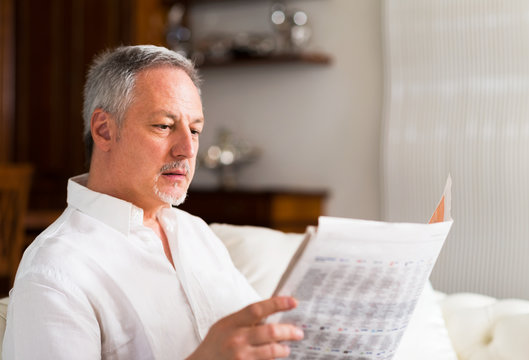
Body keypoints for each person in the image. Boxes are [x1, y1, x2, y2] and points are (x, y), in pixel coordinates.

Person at [2, 45, 304, 359]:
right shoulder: (55, 271)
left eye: (195, 129)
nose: (187, 149)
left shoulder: (195, 233)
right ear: (104, 130)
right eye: (164, 126)